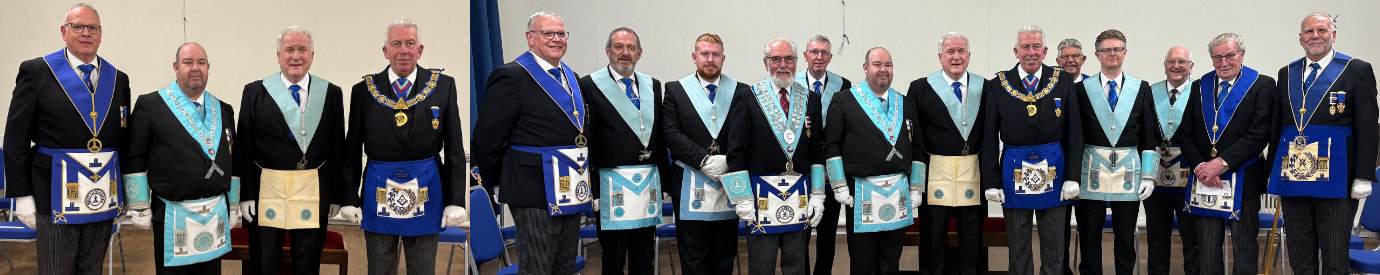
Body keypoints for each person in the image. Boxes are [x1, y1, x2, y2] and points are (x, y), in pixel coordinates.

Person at [3, 3, 131, 274]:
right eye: (78, 27)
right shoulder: (37, 72)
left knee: (91, 268)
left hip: (101, 192)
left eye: (92, 27)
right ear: (64, 31)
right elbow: (15, 138)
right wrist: (21, 194)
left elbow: (124, 139)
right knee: (56, 269)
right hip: (54, 193)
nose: (86, 33)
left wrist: (126, 192)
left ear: (100, 33)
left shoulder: (118, 78)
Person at [343, 19, 467, 275]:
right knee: (379, 269)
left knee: (422, 269)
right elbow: (351, 151)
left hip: (427, 188)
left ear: (419, 50)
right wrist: (349, 198)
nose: (403, 50)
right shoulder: (363, 91)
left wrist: (455, 201)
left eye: (410, 43)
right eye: (396, 44)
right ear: (385, 51)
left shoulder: (444, 87)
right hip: (377, 189)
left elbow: (455, 148)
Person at [1268, 12, 1377, 274]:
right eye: (1309, 31)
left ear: (1333, 35)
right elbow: (1277, 127)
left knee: (1334, 258)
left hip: (1338, 180)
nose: (1315, 36)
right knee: (1299, 255)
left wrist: (1363, 175)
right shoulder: (1287, 72)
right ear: (1300, 38)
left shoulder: (1357, 69)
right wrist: (1271, 171)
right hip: (1294, 176)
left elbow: (1368, 127)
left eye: (1322, 30)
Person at [234, 26, 346, 275]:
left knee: (307, 264)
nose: (296, 56)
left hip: (312, 191)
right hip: (267, 191)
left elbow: (338, 147)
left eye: (302, 49)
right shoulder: (255, 92)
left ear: (312, 55)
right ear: (278, 55)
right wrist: (246, 195)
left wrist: (337, 195)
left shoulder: (331, 93)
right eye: (289, 49)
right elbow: (245, 147)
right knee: (264, 262)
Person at [124, 42, 240, 274]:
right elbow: (134, 156)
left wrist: (234, 203)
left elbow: (232, 158)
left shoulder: (224, 109)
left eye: (201, 62)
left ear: (209, 68)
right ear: (176, 67)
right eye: (188, 62)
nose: (195, 68)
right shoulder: (151, 105)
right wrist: (139, 206)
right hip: (172, 215)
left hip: (214, 214)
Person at [981, 24, 1083, 275]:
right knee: (1018, 246)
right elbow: (989, 137)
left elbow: (1075, 133)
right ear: (1016, 51)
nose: (1031, 52)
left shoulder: (1063, 81)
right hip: (1013, 170)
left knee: (1055, 246)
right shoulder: (997, 85)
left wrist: (1072, 176)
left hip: (1055, 170)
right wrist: (991, 181)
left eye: (1036, 46)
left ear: (1045, 50)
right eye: (1025, 47)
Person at [720, 38, 826, 274]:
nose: (783, 64)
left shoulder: (811, 98)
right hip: (760, 199)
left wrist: (818, 195)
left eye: (789, 58)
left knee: (797, 266)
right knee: (762, 266)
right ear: (765, 62)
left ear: (797, 62)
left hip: (799, 196)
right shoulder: (748, 97)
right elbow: (736, 152)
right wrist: (742, 198)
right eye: (776, 59)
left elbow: (817, 150)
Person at [1181, 32, 1277, 275]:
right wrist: (1201, 168)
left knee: (1244, 248)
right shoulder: (1199, 86)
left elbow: (1259, 135)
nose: (1223, 63)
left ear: (1242, 55)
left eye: (1230, 56)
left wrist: (1221, 163)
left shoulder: (1262, 85)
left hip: (1244, 178)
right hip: (1205, 180)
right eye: (1217, 57)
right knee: (1207, 249)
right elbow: (1185, 134)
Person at [574, 27, 667, 275]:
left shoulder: (653, 85)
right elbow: (587, 139)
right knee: (613, 259)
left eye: (631, 48)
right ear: (608, 51)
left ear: (639, 53)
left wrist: (665, 181)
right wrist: (591, 186)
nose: (625, 53)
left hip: (647, 185)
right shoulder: (589, 85)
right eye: (618, 47)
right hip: (611, 185)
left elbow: (659, 136)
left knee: (644, 258)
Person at [824, 47, 924, 275]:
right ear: (865, 67)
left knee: (891, 262)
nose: (883, 70)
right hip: (861, 193)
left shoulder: (905, 103)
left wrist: (917, 188)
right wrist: (838, 184)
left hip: (898, 193)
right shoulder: (844, 100)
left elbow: (918, 148)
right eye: (877, 64)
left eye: (888, 65)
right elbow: (832, 145)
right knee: (862, 262)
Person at [661, 32, 751, 275]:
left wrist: (728, 160)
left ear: (723, 58)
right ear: (694, 57)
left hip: (729, 180)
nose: (710, 59)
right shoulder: (675, 90)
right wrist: (703, 160)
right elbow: (670, 133)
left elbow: (747, 133)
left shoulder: (742, 91)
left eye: (715, 55)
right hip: (690, 179)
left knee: (725, 254)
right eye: (704, 54)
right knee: (693, 256)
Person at [1070, 29, 1157, 275]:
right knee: (1089, 236)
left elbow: (1148, 136)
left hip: (1128, 171)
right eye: (1107, 50)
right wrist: (1072, 175)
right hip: (1091, 170)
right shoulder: (1081, 90)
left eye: (1117, 49)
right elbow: (1075, 137)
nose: (1112, 54)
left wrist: (1149, 175)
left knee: (1125, 237)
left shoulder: (1141, 88)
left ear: (1125, 52)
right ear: (1097, 54)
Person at [906, 31, 989, 275]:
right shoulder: (920, 88)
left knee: (972, 239)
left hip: (972, 172)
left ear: (969, 56)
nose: (956, 57)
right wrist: (916, 182)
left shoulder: (985, 87)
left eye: (961, 51)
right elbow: (915, 138)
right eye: (950, 52)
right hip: (935, 173)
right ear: (940, 56)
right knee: (932, 239)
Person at [793, 36, 852, 274]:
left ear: (830, 57)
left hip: (830, 170)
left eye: (824, 53)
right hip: (800, 168)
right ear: (805, 56)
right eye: (814, 52)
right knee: (800, 234)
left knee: (827, 233)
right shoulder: (792, 83)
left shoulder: (843, 84)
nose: (819, 57)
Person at [1143, 45, 1201, 275]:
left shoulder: (1200, 92)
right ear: (1165, 65)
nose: (1176, 66)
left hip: (1190, 178)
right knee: (1156, 241)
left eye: (1182, 62)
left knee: (1193, 241)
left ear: (1191, 67)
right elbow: (1145, 135)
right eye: (1171, 62)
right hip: (1155, 180)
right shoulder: (1149, 92)